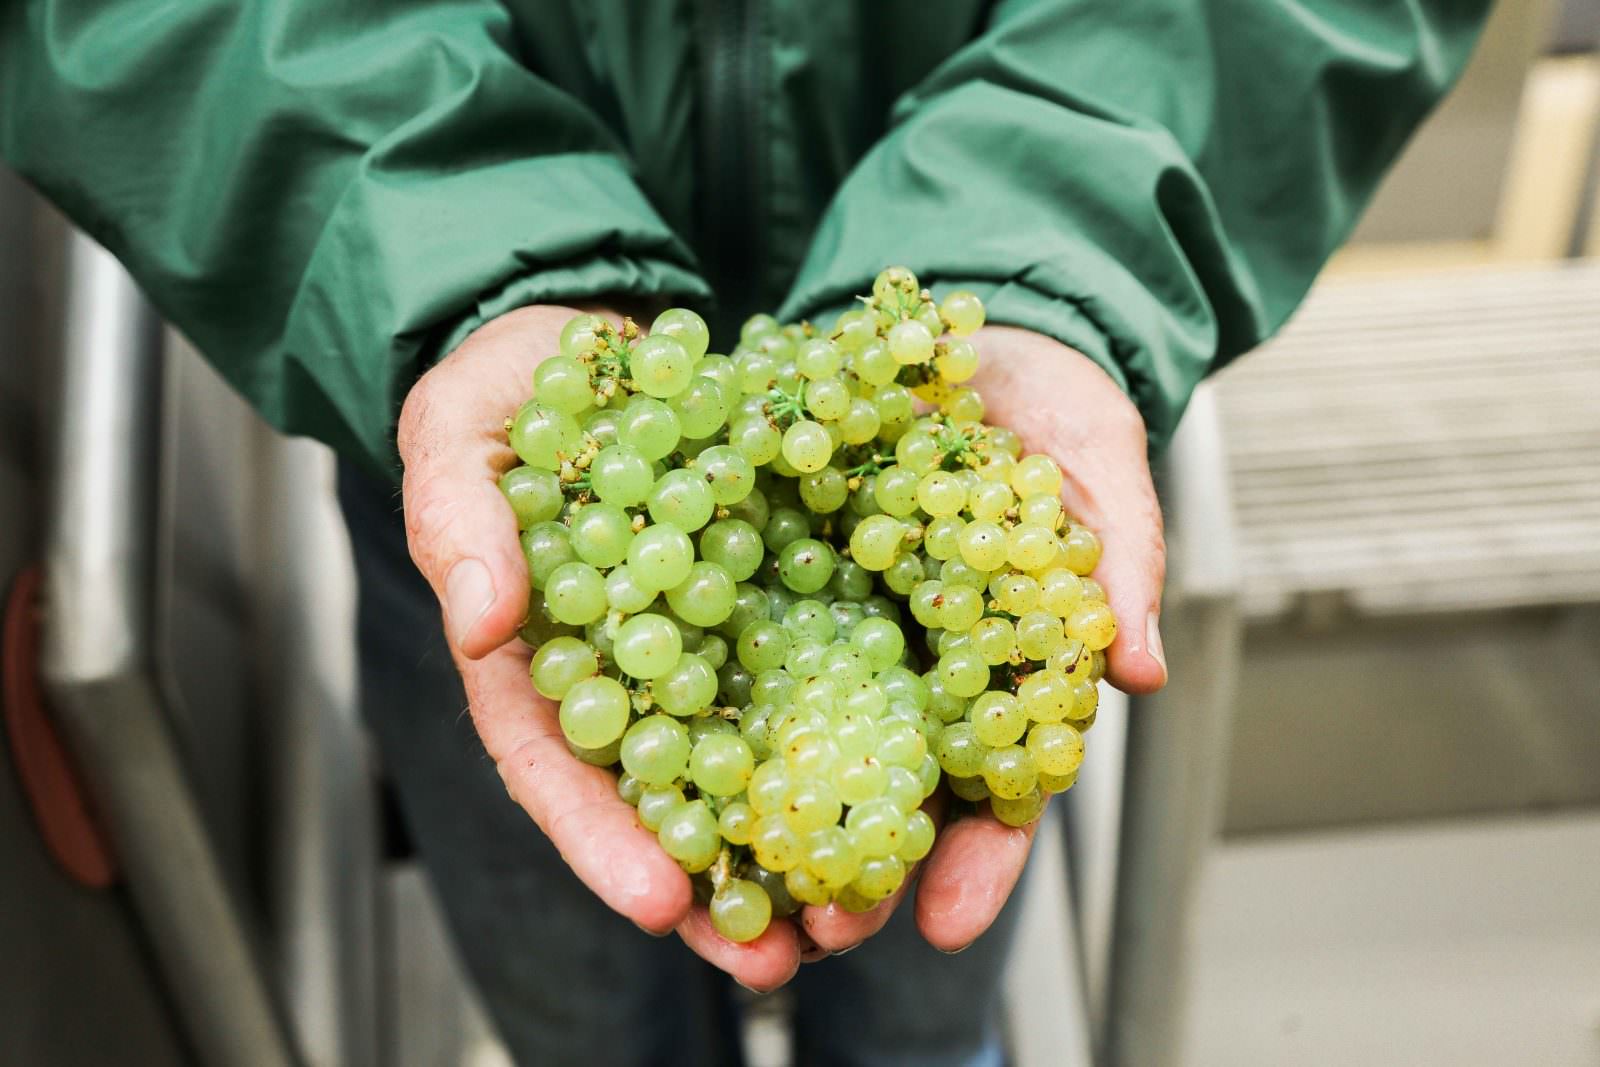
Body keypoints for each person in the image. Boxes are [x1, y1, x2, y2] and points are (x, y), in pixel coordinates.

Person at [2, 1, 1490, 1063]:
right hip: (515, 477)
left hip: (946, 466)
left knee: (915, 992)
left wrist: (1045, 239)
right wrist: (444, 252)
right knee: (574, 995)